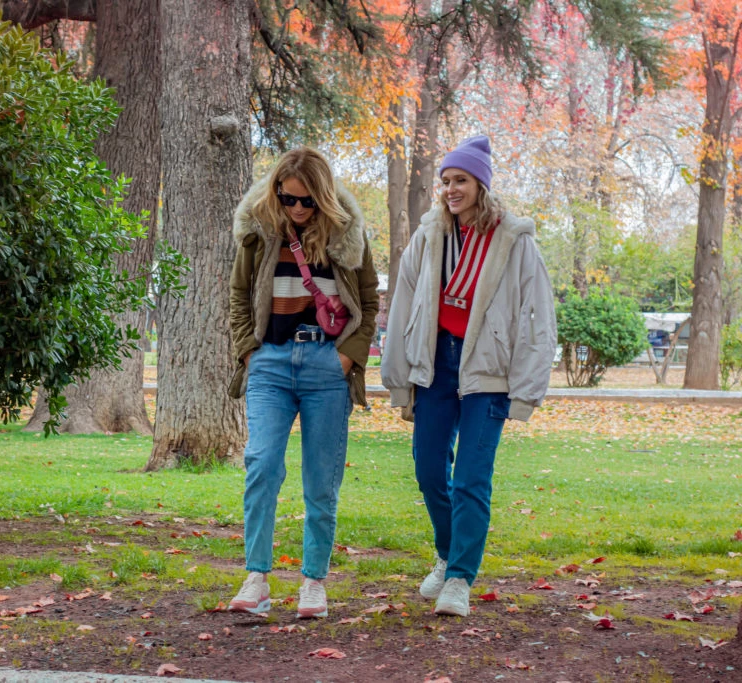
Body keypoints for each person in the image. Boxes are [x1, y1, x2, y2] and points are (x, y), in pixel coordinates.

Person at [380, 135, 557, 617]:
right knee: (429, 471)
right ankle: (446, 552)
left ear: (481, 184)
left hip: (490, 373)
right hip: (435, 366)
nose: (451, 189)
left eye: (460, 180)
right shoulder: (429, 235)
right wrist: (399, 378)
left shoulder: (514, 240)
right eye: (446, 182)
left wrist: (526, 391)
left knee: (471, 479)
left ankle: (459, 577)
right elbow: (403, 305)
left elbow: (537, 316)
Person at [226, 147, 379, 619]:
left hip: (325, 368)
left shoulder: (347, 235)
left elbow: (369, 303)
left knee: (321, 482)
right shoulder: (260, 231)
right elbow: (238, 293)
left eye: (306, 201)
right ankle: (257, 578)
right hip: (270, 365)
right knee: (262, 465)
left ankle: (313, 582)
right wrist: (248, 351)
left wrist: (347, 360)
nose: (296, 208)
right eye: (287, 198)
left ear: (323, 198)